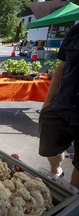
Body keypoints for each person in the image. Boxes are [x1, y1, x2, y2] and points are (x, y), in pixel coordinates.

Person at [39, 23, 79, 190]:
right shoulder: (76, 31)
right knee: (48, 148)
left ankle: (71, 201)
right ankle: (56, 169)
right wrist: (47, 102)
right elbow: (61, 68)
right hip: (61, 106)